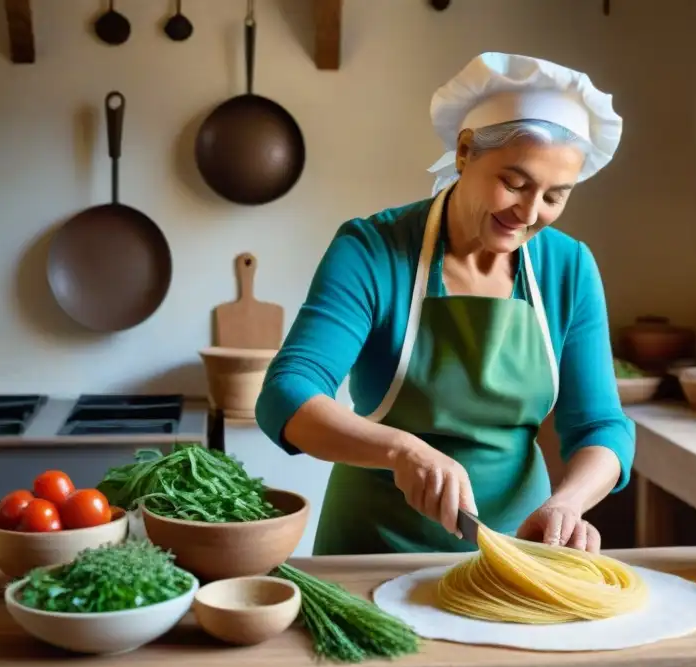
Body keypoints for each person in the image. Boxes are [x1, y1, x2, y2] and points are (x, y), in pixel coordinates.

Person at [256, 51, 635, 557]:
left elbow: (601, 426)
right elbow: (287, 392)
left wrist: (567, 504)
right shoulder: (373, 249)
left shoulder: (569, 267)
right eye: (515, 184)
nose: (529, 212)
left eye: (554, 196)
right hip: (373, 548)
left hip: (515, 549)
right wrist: (400, 450)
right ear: (464, 153)